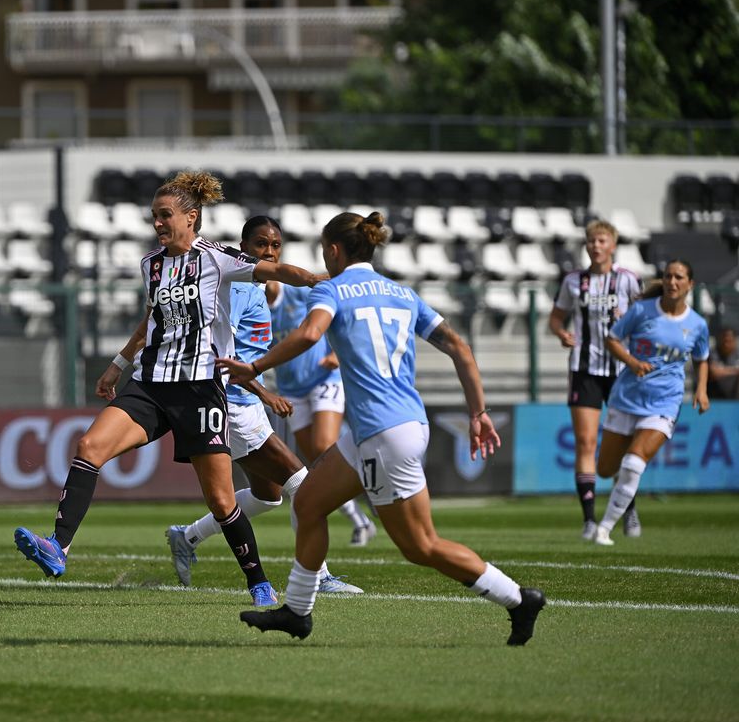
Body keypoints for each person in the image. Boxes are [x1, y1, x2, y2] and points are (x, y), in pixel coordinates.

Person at [217, 211, 546, 644]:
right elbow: (459, 347)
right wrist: (478, 412)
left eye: (323, 250)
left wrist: (255, 366)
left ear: (333, 251)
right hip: (396, 423)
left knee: (420, 546)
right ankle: (297, 611)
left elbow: (311, 334)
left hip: (382, 432)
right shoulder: (401, 293)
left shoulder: (334, 290)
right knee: (309, 502)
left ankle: (519, 600)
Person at [13, 171, 324, 607]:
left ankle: (257, 581)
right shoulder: (151, 264)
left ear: (191, 217)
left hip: (199, 390)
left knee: (219, 499)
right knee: (89, 446)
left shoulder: (217, 259)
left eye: (165, 216)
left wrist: (318, 281)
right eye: (154, 216)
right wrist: (118, 365)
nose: (158, 223)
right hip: (151, 384)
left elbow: (275, 270)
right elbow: (151, 320)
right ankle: (57, 547)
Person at [166, 215, 364, 595]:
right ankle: (318, 577)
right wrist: (264, 392)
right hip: (230, 402)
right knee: (302, 483)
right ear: (244, 249)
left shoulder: (258, 289)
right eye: (261, 245)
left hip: (243, 401)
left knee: (267, 496)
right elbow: (219, 354)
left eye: (275, 245)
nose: (269, 252)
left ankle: (187, 537)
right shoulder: (238, 289)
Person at [266, 219, 378, 547]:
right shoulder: (252, 301)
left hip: (323, 377)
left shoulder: (300, 289)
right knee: (316, 463)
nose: (268, 257)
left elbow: (337, 306)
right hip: (290, 387)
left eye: (274, 249)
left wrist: (339, 354)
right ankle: (360, 519)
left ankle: (375, 480)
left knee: (325, 445)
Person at [593, 260, 710, 546]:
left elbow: (702, 357)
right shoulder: (642, 311)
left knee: (634, 462)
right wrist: (632, 362)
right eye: (668, 276)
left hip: (665, 401)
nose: (672, 281)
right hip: (627, 397)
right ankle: (622, 493)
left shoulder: (697, 324)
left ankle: (604, 529)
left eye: (679, 277)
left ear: (689, 284)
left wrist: (701, 389)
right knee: (606, 469)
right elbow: (612, 338)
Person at [548, 220, 642, 540]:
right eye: (591, 240)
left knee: (622, 443)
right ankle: (589, 520)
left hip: (622, 371)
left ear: (613, 245)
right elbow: (556, 317)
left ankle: (626, 511)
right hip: (584, 368)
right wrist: (562, 334)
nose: (595, 245)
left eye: (601, 240)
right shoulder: (574, 281)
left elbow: (645, 319)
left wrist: (628, 322)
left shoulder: (627, 280)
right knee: (587, 442)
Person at [707, 327, 739, 399]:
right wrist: (735, 370)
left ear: (734, 341)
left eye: (729, 341)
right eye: (724, 341)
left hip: (734, 396)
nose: (726, 344)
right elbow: (714, 372)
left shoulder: (737, 353)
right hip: (714, 396)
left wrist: (724, 370)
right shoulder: (713, 353)